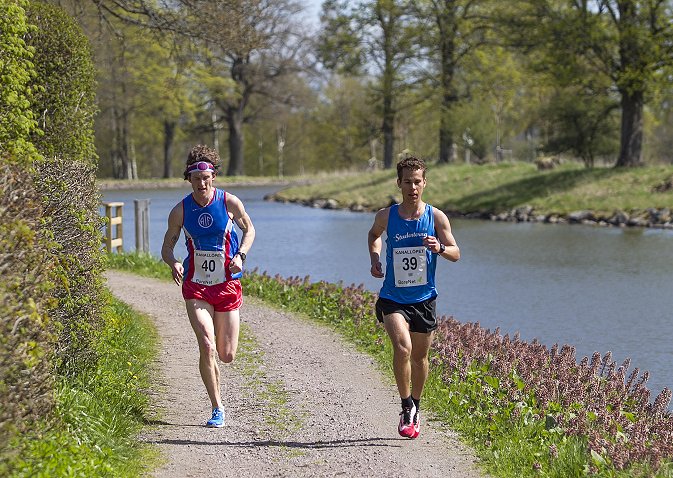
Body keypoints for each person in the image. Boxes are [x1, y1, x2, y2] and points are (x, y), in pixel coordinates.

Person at [161, 144, 255, 428]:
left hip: (227, 284)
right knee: (206, 343)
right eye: (196, 178)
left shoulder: (230, 203)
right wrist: (174, 262)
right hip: (196, 286)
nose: (202, 183)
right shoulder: (180, 211)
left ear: (213, 176)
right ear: (189, 178)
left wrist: (240, 256)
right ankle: (217, 408)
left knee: (227, 354)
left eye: (207, 177)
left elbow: (249, 229)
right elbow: (167, 246)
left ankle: (219, 377)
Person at [367, 156, 460, 439]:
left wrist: (440, 247)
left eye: (417, 181)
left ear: (424, 183)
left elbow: (456, 253)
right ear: (399, 184)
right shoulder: (386, 215)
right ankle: (405, 405)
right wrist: (374, 259)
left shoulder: (437, 217)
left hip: (424, 299)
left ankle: (416, 407)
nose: (412, 187)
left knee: (420, 357)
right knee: (403, 348)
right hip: (393, 298)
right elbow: (373, 235)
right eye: (407, 181)